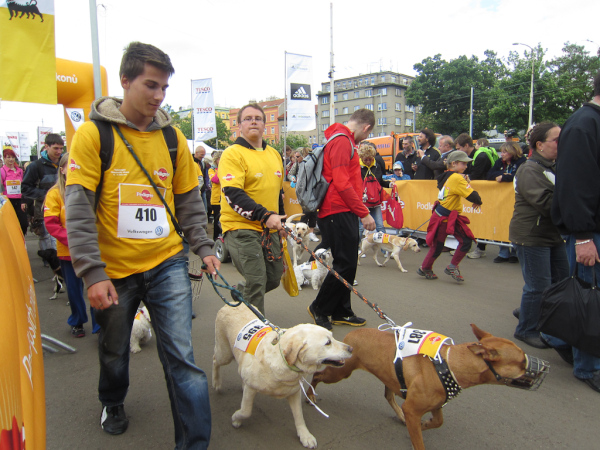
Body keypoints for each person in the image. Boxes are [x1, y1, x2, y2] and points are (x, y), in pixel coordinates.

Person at [65, 42, 219, 447]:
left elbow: (188, 201)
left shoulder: (172, 137)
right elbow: (77, 209)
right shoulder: (93, 135)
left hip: (167, 262)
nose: (159, 95)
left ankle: (194, 444)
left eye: (164, 87)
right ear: (125, 81)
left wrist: (203, 247)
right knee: (115, 350)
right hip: (113, 270)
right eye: (150, 85)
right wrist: (92, 273)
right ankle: (112, 401)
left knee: (182, 359)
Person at [550, 72, 600, 393]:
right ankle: (588, 366)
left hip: (591, 229)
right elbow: (575, 185)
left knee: (588, 295)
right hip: (590, 232)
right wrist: (582, 236)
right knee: (589, 298)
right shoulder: (584, 124)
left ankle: (558, 337)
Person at [308, 108, 376, 330]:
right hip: (336, 210)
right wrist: (363, 212)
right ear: (366, 127)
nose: (365, 138)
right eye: (368, 133)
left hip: (341, 209)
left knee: (348, 263)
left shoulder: (343, 140)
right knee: (345, 263)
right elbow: (341, 182)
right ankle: (319, 307)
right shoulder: (342, 141)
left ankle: (341, 310)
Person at [218, 102, 286, 314]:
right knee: (256, 281)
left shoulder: (274, 154)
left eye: (258, 118)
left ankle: (241, 294)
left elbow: (277, 192)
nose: (253, 122)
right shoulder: (232, 153)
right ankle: (255, 330)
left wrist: (280, 222)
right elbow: (233, 193)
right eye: (247, 119)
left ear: (265, 125)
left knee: (273, 278)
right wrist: (264, 215)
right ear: (239, 126)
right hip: (240, 228)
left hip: (269, 228)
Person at [509, 121, 567, 350]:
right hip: (532, 236)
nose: (562, 144)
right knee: (538, 286)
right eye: (557, 140)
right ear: (540, 145)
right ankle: (526, 329)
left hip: (550, 235)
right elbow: (546, 203)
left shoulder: (552, 166)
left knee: (560, 282)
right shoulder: (530, 169)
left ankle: (528, 311)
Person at [43, 152, 100, 337]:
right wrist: (73, 241)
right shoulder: (54, 193)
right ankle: (77, 321)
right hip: (68, 252)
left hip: (92, 250)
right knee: (74, 291)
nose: (76, 169)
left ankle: (99, 324)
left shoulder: (91, 189)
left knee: (97, 286)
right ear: (62, 170)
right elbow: (51, 223)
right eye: (72, 165)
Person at [417, 151, 482, 282]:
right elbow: (473, 196)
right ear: (454, 163)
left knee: (462, 241)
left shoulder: (448, 175)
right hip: (444, 217)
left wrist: (467, 183)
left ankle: (445, 266)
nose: (466, 166)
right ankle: (427, 267)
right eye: (463, 163)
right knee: (442, 245)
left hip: (447, 215)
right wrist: (478, 200)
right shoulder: (457, 178)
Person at [22, 133, 64, 264]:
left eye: (61, 148)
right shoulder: (35, 166)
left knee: (60, 237)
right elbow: (25, 188)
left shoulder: (65, 163)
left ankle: (60, 265)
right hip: (43, 209)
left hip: (63, 208)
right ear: (46, 147)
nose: (59, 151)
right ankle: (51, 264)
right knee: (46, 238)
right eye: (56, 148)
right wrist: (47, 194)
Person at [455, 133, 492, 259]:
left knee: (483, 220)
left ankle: (481, 248)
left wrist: (463, 177)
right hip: (474, 191)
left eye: (459, 148)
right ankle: (468, 246)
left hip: (484, 192)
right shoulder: (472, 156)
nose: (458, 151)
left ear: (466, 145)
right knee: (474, 220)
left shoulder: (480, 156)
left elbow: (475, 175)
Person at [489, 142, 527, 263]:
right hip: (501, 199)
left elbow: (519, 176)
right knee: (501, 223)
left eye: (505, 152)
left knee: (514, 224)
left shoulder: (522, 162)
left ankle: (515, 253)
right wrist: (502, 174)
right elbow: (490, 174)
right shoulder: (500, 162)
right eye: (502, 152)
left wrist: (505, 177)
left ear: (512, 151)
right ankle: (503, 252)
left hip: (516, 199)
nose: (502, 154)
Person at [358, 141, 387, 238]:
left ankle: (385, 246)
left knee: (380, 225)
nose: (368, 162)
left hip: (375, 201)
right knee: (360, 227)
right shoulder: (357, 167)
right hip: (363, 201)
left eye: (370, 159)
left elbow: (380, 181)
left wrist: (389, 184)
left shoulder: (377, 166)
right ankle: (357, 246)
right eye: (365, 160)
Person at [1, 146, 28, 235]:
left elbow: (24, 186)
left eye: (12, 157)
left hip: (20, 200)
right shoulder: (2, 171)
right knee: (9, 224)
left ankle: (22, 240)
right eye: (8, 157)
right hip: (8, 201)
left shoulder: (20, 171)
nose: (11, 159)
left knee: (24, 224)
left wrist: (24, 200)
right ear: (4, 158)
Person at [209, 150, 223, 241]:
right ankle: (216, 238)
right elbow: (215, 180)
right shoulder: (212, 170)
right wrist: (221, 169)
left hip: (225, 198)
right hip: (216, 199)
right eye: (220, 159)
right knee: (217, 218)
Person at [194, 145, 211, 221]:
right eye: (201, 155)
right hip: (194, 189)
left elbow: (203, 176)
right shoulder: (191, 162)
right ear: (196, 153)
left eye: (204, 155)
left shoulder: (202, 163)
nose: (203, 156)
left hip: (202, 189)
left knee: (204, 209)